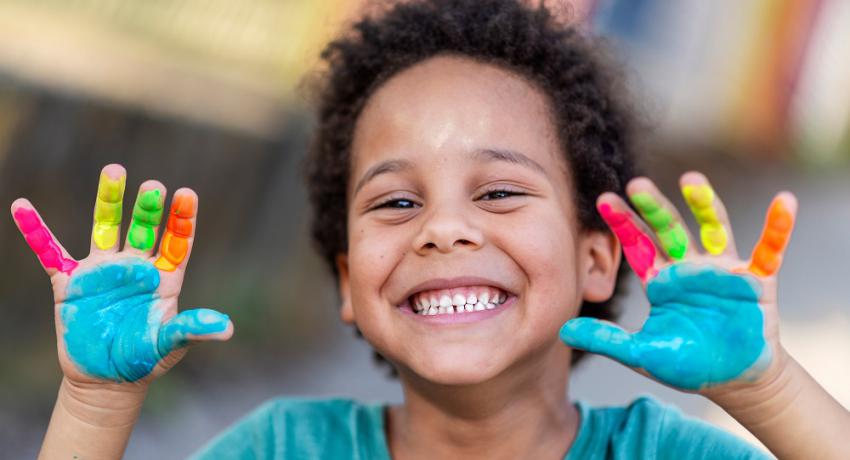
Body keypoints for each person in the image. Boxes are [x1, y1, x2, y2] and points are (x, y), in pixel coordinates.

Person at [11, 0, 849, 458]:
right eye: (396, 202)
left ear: (598, 260)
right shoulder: (283, 450)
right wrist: (96, 401)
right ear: (347, 282)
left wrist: (765, 390)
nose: (443, 229)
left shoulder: (669, 458)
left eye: (499, 192)